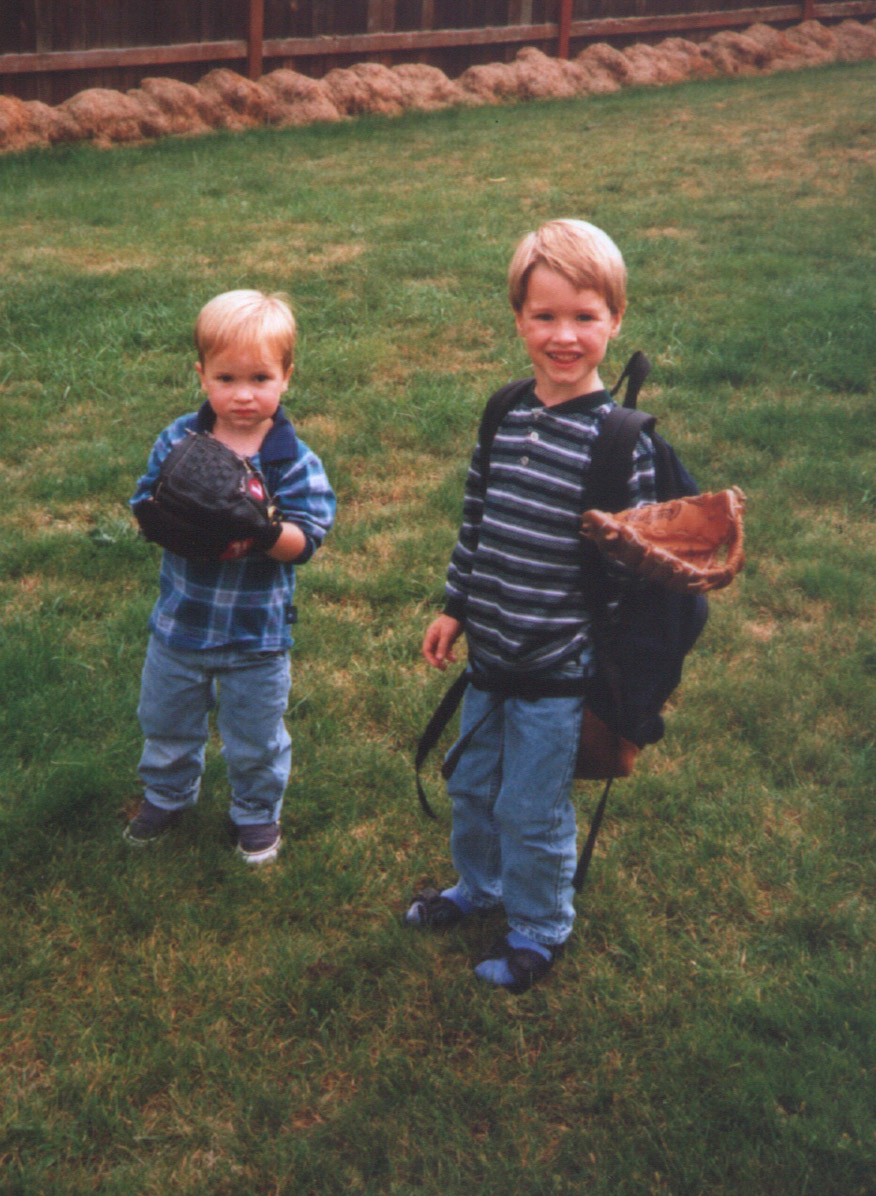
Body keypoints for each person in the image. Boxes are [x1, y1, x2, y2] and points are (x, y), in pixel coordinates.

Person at [407, 220, 657, 991]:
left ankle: (540, 927)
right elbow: (478, 516)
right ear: (518, 318)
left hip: (558, 668)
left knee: (531, 806)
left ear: (615, 320)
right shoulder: (505, 412)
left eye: (585, 317)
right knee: (472, 783)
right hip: (492, 655)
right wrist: (458, 604)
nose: (564, 335)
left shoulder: (620, 443)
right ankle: (478, 886)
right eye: (544, 316)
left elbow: (638, 565)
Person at [124, 290, 335, 865]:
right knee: (165, 721)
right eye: (226, 378)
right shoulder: (180, 442)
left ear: (287, 377)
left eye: (261, 378)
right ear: (202, 376)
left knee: (256, 738)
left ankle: (256, 814)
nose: (243, 395)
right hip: (180, 625)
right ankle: (167, 795)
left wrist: (263, 528)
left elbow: (306, 542)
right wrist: (173, 520)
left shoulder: (292, 460)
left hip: (256, 635)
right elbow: (147, 503)